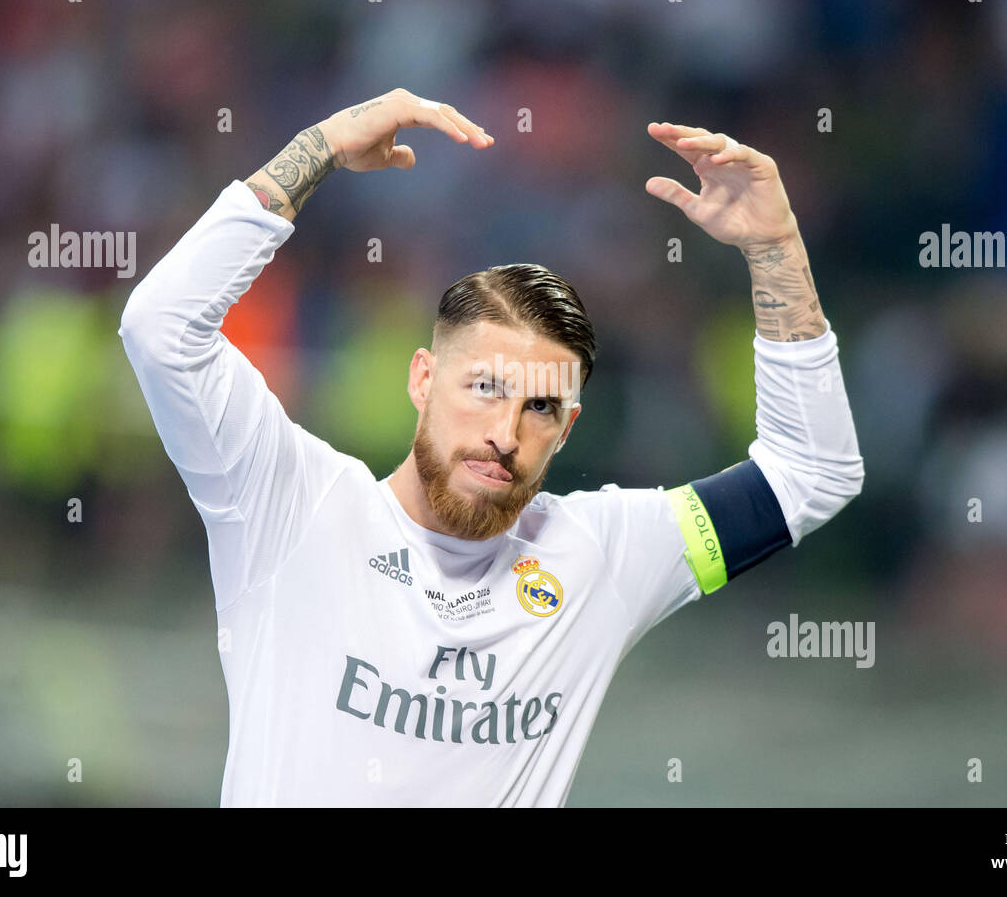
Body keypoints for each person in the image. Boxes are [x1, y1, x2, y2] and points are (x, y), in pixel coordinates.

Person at [118, 88, 864, 806]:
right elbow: (159, 330)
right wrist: (320, 149)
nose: (505, 434)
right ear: (422, 377)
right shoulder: (289, 503)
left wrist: (775, 249)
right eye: (484, 388)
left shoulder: (598, 556)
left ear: (567, 427)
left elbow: (810, 473)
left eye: (539, 407)